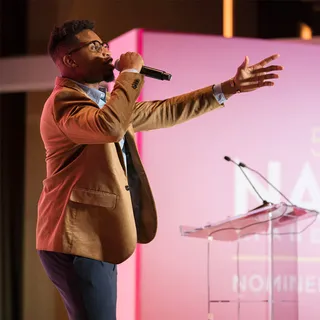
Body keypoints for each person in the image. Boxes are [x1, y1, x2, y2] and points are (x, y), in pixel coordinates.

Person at [36, 19, 283, 320]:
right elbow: (110, 126)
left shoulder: (100, 103)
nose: (106, 52)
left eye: (105, 45)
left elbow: (164, 110)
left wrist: (229, 88)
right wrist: (128, 73)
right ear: (70, 59)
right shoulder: (65, 102)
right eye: (95, 46)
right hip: (75, 238)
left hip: (95, 235)